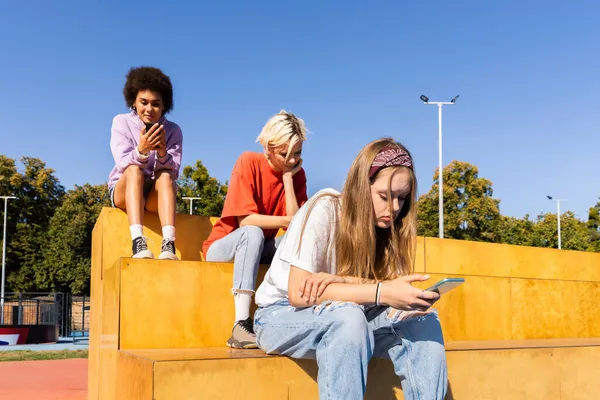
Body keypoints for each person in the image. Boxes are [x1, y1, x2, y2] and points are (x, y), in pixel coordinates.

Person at [254, 138, 447, 399]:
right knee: (348, 318)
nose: (394, 208)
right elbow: (298, 293)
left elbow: (384, 288)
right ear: (361, 185)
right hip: (281, 316)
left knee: (422, 321)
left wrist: (343, 281)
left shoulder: (390, 229)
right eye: (384, 196)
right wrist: (379, 292)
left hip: (352, 316)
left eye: (402, 199)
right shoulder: (325, 208)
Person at [202, 110, 308, 349]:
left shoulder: (296, 175)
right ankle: (241, 324)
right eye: (285, 154)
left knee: (296, 240)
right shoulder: (248, 161)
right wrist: (285, 222)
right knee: (253, 233)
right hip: (224, 245)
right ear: (268, 148)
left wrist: (289, 179)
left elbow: (296, 223)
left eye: (298, 154)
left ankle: (295, 312)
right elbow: (245, 222)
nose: (292, 160)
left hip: (259, 247)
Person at [107, 66, 183, 260]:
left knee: (165, 176)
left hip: (153, 195)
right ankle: (138, 241)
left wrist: (162, 152)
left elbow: (174, 173)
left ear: (164, 106)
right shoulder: (121, 122)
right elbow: (123, 163)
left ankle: (168, 243)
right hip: (125, 189)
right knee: (134, 170)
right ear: (133, 101)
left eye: (156, 104)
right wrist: (142, 150)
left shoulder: (173, 130)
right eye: (144, 102)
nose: (149, 109)